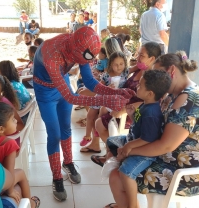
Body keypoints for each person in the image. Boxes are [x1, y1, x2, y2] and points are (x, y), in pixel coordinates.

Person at [32, 26, 135, 201]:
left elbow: (90, 81)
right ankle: (57, 176)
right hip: (45, 91)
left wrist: (116, 93)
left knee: (65, 128)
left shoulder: (81, 45)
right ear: (76, 50)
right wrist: (105, 100)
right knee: (54, 134)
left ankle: (68, 162)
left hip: (61, 82)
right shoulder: (52, 55)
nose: (86, 63)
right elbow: (72, 97)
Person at [106, 51, 199, 208]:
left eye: (158, 72)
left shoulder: (190, 100)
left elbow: (165, 146)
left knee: (118, 176)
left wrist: (129, 150)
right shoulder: (172, 94)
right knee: (116, 155)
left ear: (172, 70)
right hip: (168, 158)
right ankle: (125, 203)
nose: (155, 78)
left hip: (189, 173)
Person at [106, 69, 171, 208]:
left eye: (140, 85)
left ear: (150, 93)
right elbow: (139, 124)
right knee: (111, 141)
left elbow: (148, 139)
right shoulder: (145, 105)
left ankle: (132, 205)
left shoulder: (152, 113)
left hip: (144, 152)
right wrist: (131, 115)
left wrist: (129, 147)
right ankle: (119, 158)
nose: (137, 86)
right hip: (134, 140)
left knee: (126, 172)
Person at [85, 42, 161, 155]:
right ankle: (111, 153)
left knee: (99, 123)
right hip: (121, 105)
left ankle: (116, 153)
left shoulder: (153, 77)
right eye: (138, 54)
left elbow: (149, 102)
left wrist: (122, 110)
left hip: (132, 113)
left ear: (152, 58)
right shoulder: (139, 70)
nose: (137, 57)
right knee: (96, 113)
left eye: (142, 55)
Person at [80, 51, 128, 147]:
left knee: (102, 110)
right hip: (102, 97)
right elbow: (99, 87)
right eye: (116, 64)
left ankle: (97, 130)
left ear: (125, 64)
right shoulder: (107, 75)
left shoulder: (126, 72)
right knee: (90, 115)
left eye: (121, 64)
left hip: (114, 100)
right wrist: (107, 88)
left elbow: (137, 68)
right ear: (111, 64)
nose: (119, 67)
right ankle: (87, 136)